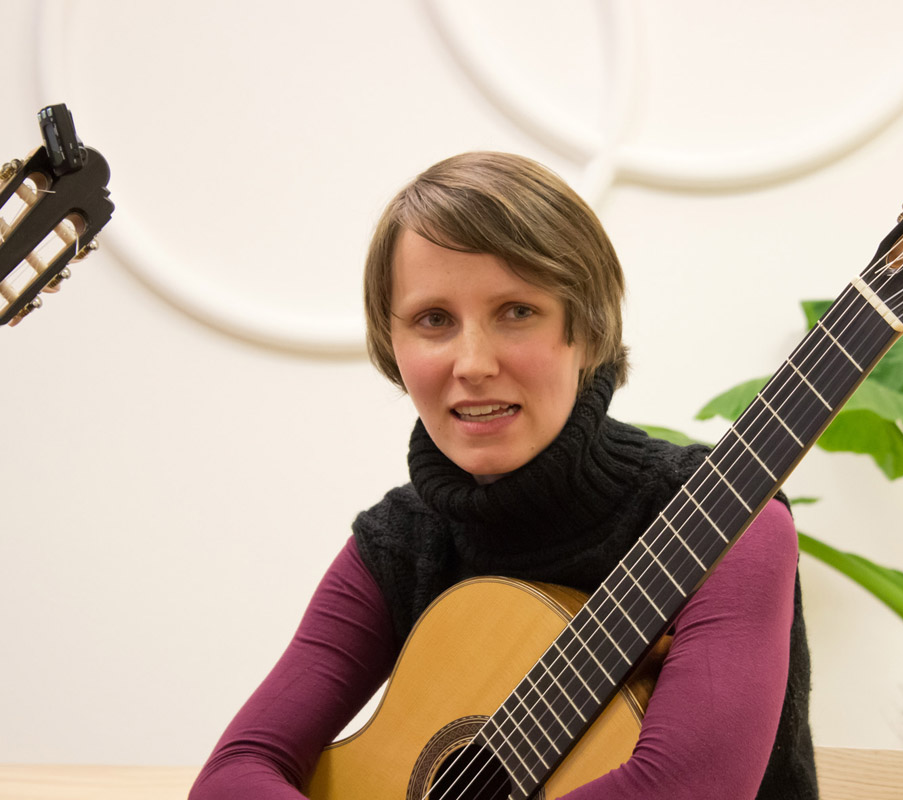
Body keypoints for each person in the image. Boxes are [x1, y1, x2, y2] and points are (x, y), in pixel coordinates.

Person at [190, 152, 818, 799]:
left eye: (516, 311)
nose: (472, 363)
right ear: (392, 346)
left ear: (587, 330)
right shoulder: (399, 543)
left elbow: (688, 787)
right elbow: (235, 772)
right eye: (434, 320)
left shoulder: (726, 514)